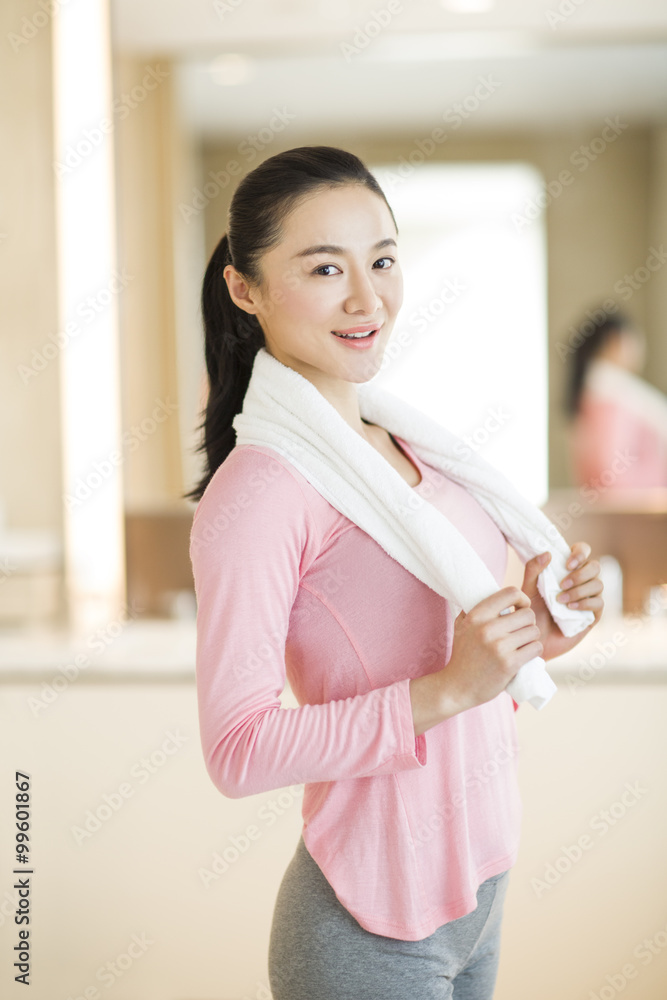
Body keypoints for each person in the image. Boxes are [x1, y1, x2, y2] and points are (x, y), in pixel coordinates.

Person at [186, 146, 604, 999]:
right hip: (364, 925)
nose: (367, 298)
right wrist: (452, 685)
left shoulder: (406, 445)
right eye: (324, 268)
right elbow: (237, 751)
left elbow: (450, 655)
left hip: (477, 887)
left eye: (381, 259)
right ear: (244, 289)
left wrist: (538, 624)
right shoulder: (261, 489)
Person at [565, 309, 667, 491]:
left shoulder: (597, 392)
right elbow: (608, 472)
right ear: (615, 341)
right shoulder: (609, 395)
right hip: (635, 507)